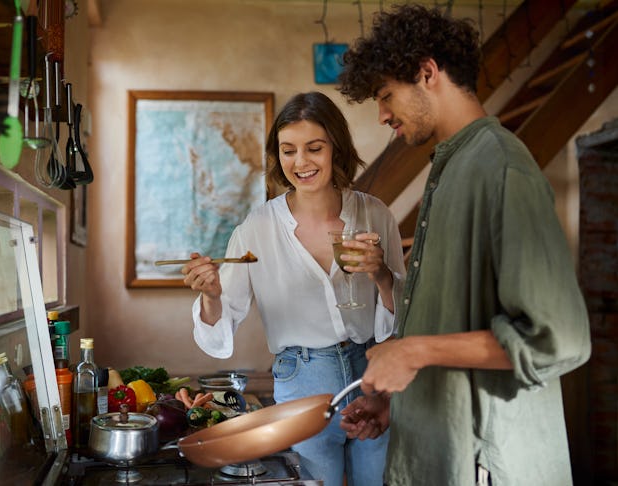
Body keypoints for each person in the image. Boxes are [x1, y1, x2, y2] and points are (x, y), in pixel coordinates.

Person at [336, 4, 592, 486]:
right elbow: (456, 320)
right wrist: (395, 403)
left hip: (487, 464)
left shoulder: (501, 169)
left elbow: (560, 338)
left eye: (387, 95)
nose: (382, 114)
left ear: (428, 73)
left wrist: (413, 351)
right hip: (441, 447)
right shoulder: (450, 166)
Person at [181, 91, 406, 486]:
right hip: (302, 379)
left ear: (336, 147)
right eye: (288, 151)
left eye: (314, 148)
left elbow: (405, 312)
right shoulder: (256, 228)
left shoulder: (374, 214)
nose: (300, 162)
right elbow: (219, 330)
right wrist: (212, 295)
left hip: (372, 375)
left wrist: (382, 275)